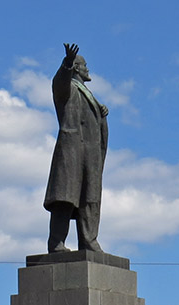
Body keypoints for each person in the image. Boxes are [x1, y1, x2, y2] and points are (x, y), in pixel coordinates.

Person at [44, 43, 109, 253]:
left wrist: (101, 112)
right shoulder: (68, 88)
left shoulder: (88, 94)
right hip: (72, 151)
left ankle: (89, 241)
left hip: (90, 155)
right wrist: (67, 63)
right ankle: (56, 243)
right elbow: (59, 84)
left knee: (89, 199)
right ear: (76, 69)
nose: (87, 68)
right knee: (65, 199)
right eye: (84, 65)